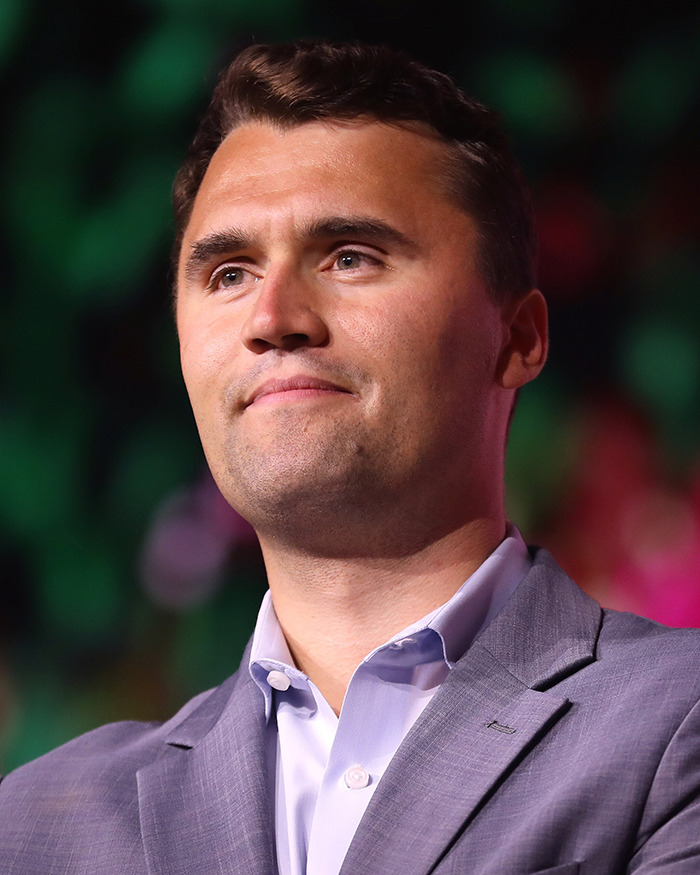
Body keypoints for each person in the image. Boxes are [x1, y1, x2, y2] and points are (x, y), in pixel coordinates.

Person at [1, 39, 699, 875]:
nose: (273, 314)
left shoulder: (672, 726)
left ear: (516, 337)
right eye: (227, 272)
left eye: (349, 258)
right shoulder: (37, 823)